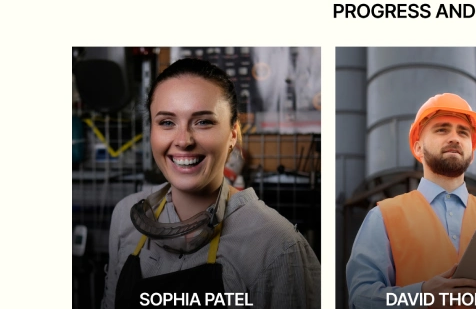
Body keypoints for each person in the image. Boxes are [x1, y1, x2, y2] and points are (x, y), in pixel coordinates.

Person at [102, 58, 320, 309]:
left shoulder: (277, 246)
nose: (183, 140)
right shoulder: (126, 218)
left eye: (203, 121)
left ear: (233, 134)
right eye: (167, 122)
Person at [346, 93, 476, 308]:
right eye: (442, 130)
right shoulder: (384, 216)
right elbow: (360, 299)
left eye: (463, 132)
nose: (454, 138)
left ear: (472, 154)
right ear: (418, 148)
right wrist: (422, 296)